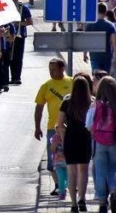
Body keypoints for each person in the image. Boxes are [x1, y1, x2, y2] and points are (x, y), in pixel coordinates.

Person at [34, 58, 73, 197]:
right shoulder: (46, 86)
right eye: (50, 70)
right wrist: (37, 127)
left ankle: (69, 184)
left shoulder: (72, 82)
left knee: (70, 158)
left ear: (62, 68)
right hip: (53, 128)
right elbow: (39, 107)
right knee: (53, 159)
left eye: (54, 69)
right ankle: (58, 185)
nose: (51, 72)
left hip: (71, 128)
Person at [89, 77, 116, 213]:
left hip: (99, 141)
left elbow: (88, 126)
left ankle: (101, 202)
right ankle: (113, 192)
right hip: (115, 139)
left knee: (100, 171)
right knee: (113, 167)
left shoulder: (95, 105)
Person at [55, 76, 92, 212]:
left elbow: (59, 124)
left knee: (71, 171)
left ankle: (73, 204)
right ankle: (82, 199)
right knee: (83, 170)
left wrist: (64, 138)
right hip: (85, 137)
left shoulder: (67, 102)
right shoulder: (91, 102)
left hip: (71, 137)